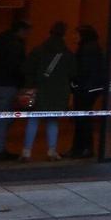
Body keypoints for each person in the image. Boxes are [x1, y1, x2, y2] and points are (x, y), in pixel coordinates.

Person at [21, 22, 73, 162]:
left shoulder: (38, 50)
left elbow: (27, 69)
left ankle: (26, 151)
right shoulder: (66, 54)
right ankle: (51, 151)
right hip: (58, 92)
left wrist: (31, 85)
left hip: (40, 89)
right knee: (52, 121)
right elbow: (73, 72)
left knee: (33, 119)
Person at [0, 16, 28, 161]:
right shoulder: (15, 45)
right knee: (4, 118)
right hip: (8, 84)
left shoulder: (3, 42)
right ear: (20, 30)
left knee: (4, 118)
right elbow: (16, 66)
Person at [70, 26, 106, 159]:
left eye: (76, 34)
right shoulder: (94, 47)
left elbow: (82, 70)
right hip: (91, 87)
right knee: (83, 118)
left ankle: (83, 148)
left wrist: (75, 84)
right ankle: (81, 148)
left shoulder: (86, 49)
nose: (74, 37)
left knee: (82, 119)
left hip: (86, 88)